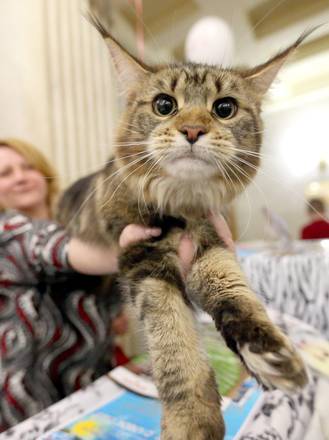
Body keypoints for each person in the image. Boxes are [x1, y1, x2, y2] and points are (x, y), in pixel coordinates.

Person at [0, 138, 234, 430]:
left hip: (95, 383)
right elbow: (64, 250)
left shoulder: (75, 218)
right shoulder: (8, 231)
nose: (20, 177)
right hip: (35, 398)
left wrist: (114, 314)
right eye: (5, 173)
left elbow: (112, 298)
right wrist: (156, 246)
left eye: (28, 167)